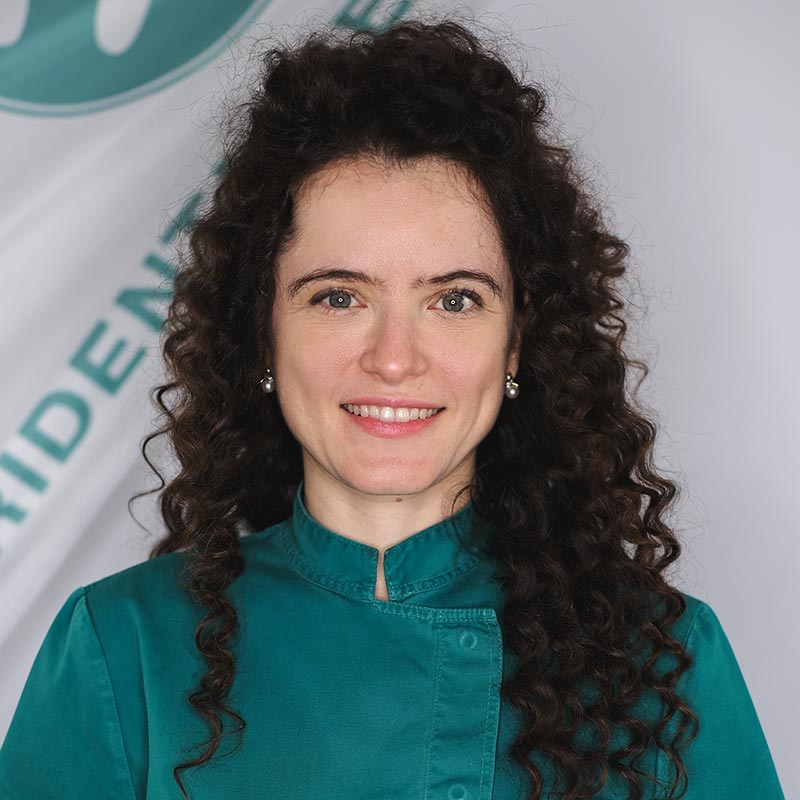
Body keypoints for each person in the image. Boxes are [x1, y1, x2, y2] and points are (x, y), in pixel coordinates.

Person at [0, 16, 786, 800]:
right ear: (263, 333)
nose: (395, 358)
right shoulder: (123, 647)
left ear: (516, 345)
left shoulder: (663, 659)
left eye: (455, 299)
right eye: (339, 297)